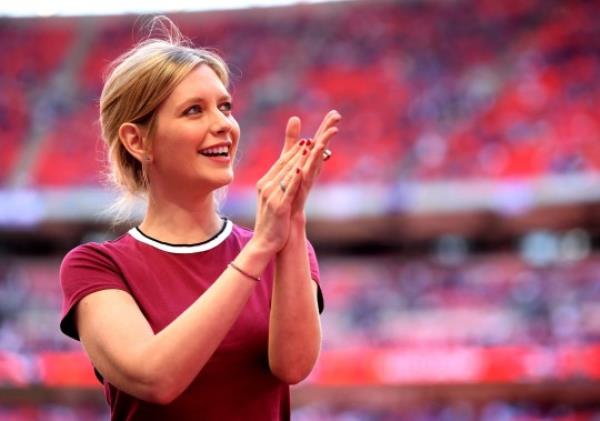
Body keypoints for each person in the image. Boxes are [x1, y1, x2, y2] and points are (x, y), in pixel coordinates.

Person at [58, 20, 341, 421]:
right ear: (137, 141)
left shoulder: (286, 248)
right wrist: (260, 248)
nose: (223, 123)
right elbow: (156, 377)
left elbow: (293, 366)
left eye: (225, 107)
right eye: (194, 110)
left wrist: (292, 224)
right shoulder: (96, 267)